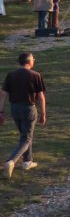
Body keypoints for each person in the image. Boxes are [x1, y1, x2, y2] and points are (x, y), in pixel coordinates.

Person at [1, 52, 48, 180]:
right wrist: (43, 113)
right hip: (28, 109)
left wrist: (1, 112)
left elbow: (3, 94)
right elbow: (40, 97)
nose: (34, 60)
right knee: (26, 138)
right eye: (33, 58)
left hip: (15, 108)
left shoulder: (11, 75)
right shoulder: (36, 75)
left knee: (25, 135)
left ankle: (28, 161)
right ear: (29, 62)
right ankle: (10, 161)